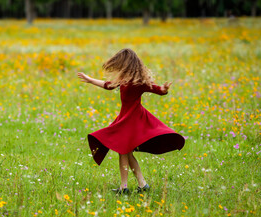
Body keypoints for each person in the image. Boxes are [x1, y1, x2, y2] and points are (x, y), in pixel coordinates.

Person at [77, 48, 185, 194]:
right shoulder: (123, 80)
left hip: (132, 119)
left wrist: (164, 89)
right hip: (125, 118)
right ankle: (142, 184)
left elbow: (158, 90)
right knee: (126, 152)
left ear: (127, 64)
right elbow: (108, 85)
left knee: (123, 151)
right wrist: (90, 80)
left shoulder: (139, 82)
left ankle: (124, 187)